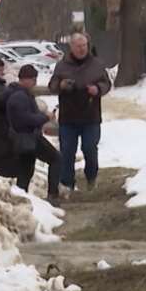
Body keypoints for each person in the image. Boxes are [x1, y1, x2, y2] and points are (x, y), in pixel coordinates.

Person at [49, 32, 112, 193]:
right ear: (71, 47)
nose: (82, 49)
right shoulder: (62, 65)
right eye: (78, 46)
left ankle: (91, 177)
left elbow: (106, 83)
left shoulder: (97, 64)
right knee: (67, 151)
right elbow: (52, 86)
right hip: (68, 117)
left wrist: (98, 89)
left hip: (91, 116)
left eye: (84, 46)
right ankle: (67, 184)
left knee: (90, 148)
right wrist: (61, 85)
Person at [6, 64, 62, 202]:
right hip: (28, 137)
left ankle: (21, 197)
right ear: (25, 79)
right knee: (56, 159)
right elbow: (25, 119)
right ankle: (52, 195)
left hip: (24, 138)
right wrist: (45, 117)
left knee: (25, 170)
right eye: (33, 79)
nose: (35, 83)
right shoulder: (19, 96)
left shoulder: (19, 94)